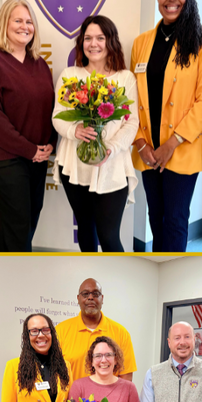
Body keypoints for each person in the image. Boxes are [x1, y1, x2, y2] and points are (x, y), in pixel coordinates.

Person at [131, 0, 202, 252]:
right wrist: (141, 142)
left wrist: (172, 143)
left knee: (176, 220)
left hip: (181, 148)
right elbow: (132, 98)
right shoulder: (141, 43)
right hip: (148, 149)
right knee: (155, 217)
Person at [0, 0, 55, 252]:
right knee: (16, 227)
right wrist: (29, 149)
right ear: (4, 23)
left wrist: (50, 143)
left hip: (37, 157)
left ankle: (10, 272)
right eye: (17, 20)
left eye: (29, 22)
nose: (24, 26)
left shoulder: (39, 63)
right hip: (5, 157)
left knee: (27, 222)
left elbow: (49, 109)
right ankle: (18, 283)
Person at [53, 16, 139, 252]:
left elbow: (131, 124)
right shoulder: (69, 75)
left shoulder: (125, 78)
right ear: (81, 43)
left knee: (109, 236)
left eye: (100, 38)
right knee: (85, 229)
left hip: (111, 166)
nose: (94, 44)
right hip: (75, 165)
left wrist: (109, 148)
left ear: (110, 41)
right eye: (88, 38)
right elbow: (58, 116)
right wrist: (75, 130)